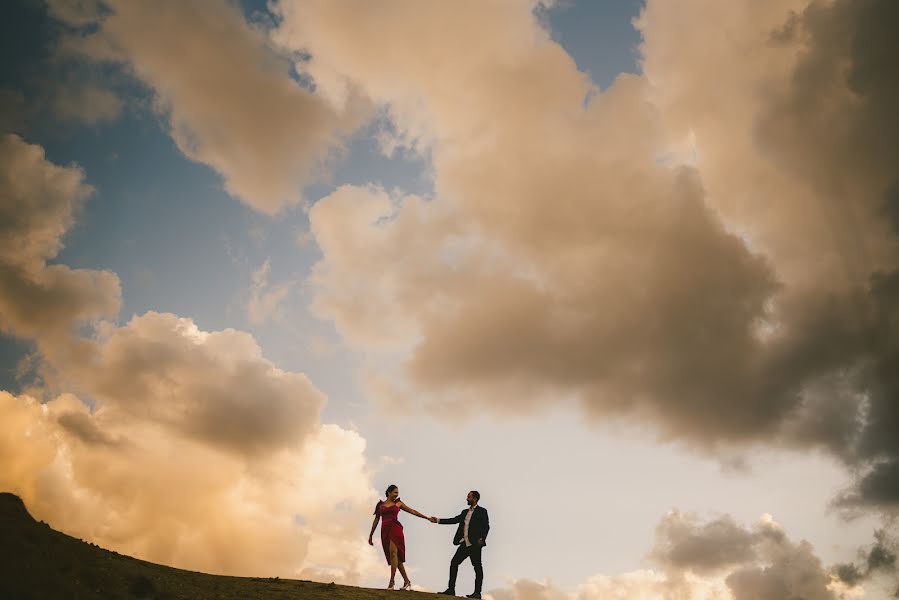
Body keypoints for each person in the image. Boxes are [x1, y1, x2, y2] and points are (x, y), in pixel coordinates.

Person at [369, 484, 435, 590]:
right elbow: (376, 520)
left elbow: (412, 511)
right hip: (384, 530)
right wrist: (371, 535)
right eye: (395, 492)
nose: (396, 494)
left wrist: (427, 517)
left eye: (397, 493)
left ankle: (391, 582)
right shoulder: (380, 505)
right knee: (396, 559)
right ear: (389, 492)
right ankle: (407, 581)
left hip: (395, 529)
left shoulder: (398, 503)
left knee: (393, 553)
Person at [431, 490, 490, 599]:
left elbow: (486, 526)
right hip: (464, 544)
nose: (467, 499)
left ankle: (477, 593)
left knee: (477, 567)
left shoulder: (482, 511)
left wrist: (482, 539)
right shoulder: (464, 512)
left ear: (475, 499)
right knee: (454, 562)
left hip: (475, 544)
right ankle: (451, 589)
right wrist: (438, 520)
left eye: (469, 497)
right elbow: (454, 520)